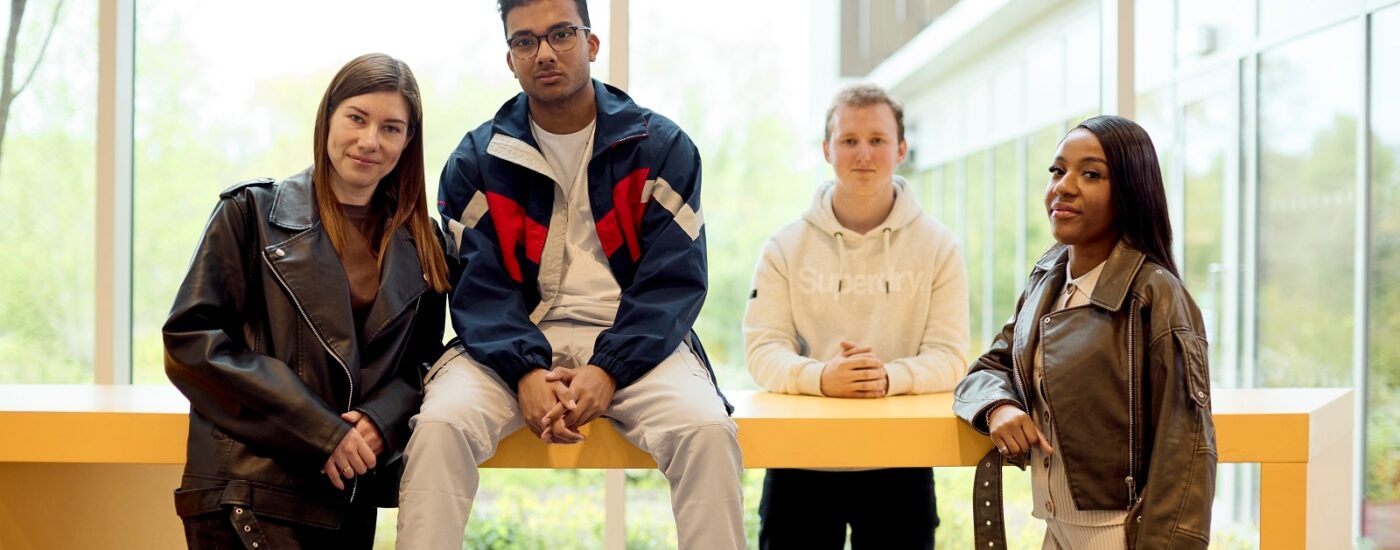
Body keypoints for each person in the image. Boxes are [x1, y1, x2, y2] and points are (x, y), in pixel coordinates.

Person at [394, 1, 744, 548]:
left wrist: (610, 367)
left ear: (591, 43)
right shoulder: (478, 159)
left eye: (561, 34)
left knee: (707, 431)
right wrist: (525, 372)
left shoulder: (661, 148)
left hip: (635, 339)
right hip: (511, 341)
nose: (545, 52)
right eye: (525, 41)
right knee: (440, 428)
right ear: (510, 59)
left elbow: (673, 281)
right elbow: (476, 287)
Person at [163, 53, 450, 549]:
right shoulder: (248, 213)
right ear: (328, 119)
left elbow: (426, 364)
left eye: (391, 128)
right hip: (247, 490)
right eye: (356, 118)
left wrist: (382, 422)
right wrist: (322, 432)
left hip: (348, 495)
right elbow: (192, 342)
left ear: (408, 142)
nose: (369, 141)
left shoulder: (425, 243)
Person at [953, 115, 1216, 550]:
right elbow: (990, 366)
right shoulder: (1048, 279)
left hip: (1121, 536)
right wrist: (998, 407)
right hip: (1056, 531)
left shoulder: (1155, 295)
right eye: (1058, 171)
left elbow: (1185, 453)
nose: (1064, 186)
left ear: (1130, 191)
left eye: (1090, 174)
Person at [742, 83, 969, 549]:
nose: (863, 153)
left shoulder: (939, 247)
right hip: (799, 459)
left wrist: (884, 377)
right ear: (827, 150)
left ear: (901, 149)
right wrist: (823, 377)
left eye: (878, 140)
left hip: (901, 460)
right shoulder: (784, 247)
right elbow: (763, 351)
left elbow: (950, 357)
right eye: (848, 140)